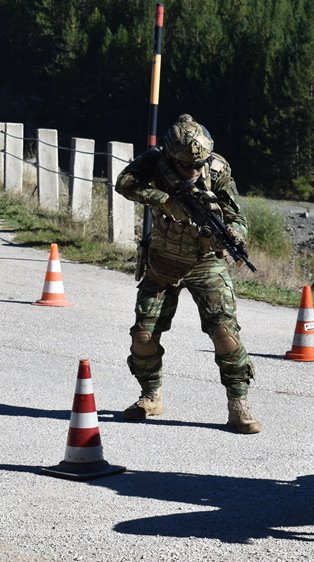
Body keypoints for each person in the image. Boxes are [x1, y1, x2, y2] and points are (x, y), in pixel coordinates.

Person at [115, 113, 260, 434]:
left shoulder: (218, 169)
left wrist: (234, 234)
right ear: (171, 157)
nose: (194, 171)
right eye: (186, 166)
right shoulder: (155, 162)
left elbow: (238, 217)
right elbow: (124, 183)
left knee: (225, 333)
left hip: (206, 262)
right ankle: (150, 395)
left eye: (199, 165)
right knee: (143, 335)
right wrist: (165, 200)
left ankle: (239, 404)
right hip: (163, 262)